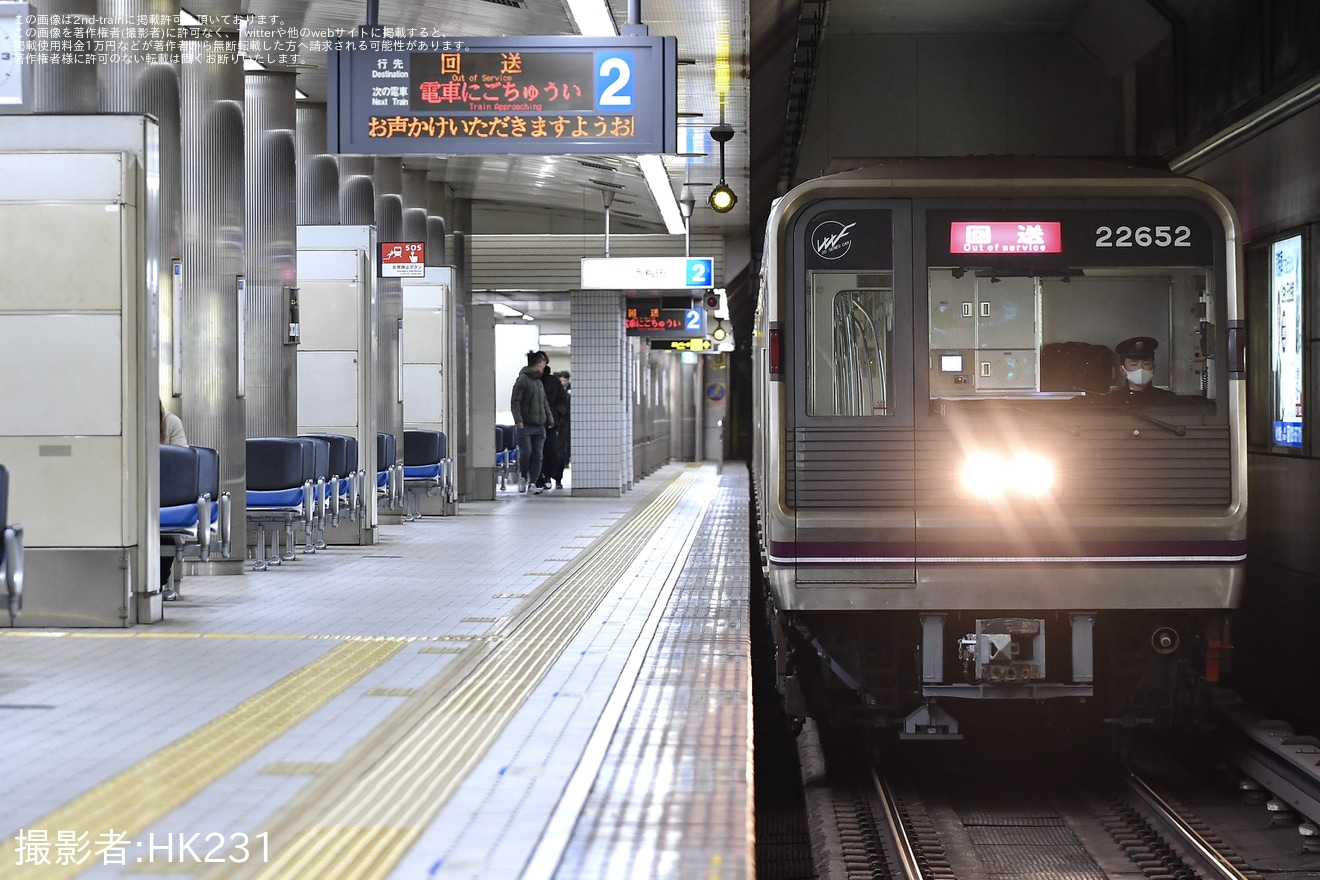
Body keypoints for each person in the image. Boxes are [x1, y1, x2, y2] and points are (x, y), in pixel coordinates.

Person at [510, 350, 554, 494]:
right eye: (543, 364)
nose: (544, 367)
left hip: (539, 425)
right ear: (538, 363)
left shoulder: (538, 381)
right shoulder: (523, 379)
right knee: (526, 452)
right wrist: (518, 420)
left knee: (538, 454)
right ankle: (523, 477)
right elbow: (515, 401)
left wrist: (550, 419)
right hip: (526, 424)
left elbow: (544, 402)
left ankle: (533, 482)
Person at [159, 401, 188, 599]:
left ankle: (160, 579)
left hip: (166, 494)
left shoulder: (171, 423)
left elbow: (181, 462)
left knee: (166, 531)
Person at [536, 353, 570, 490]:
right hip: (534, 422)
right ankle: (538, 479)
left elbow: (562, 402)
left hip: (553, 424)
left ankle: (551, 476)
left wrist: (557, 415)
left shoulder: (552, 382)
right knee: (537, 452)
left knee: (553, 451)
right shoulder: (528, 380)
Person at [1107, 336, 1178, 403]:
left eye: (1146, 364)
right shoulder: (1111, 400)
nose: (1141, 368)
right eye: (1134, 365)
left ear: (1153, 367)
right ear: (1122, 370)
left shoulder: (1168, 399)